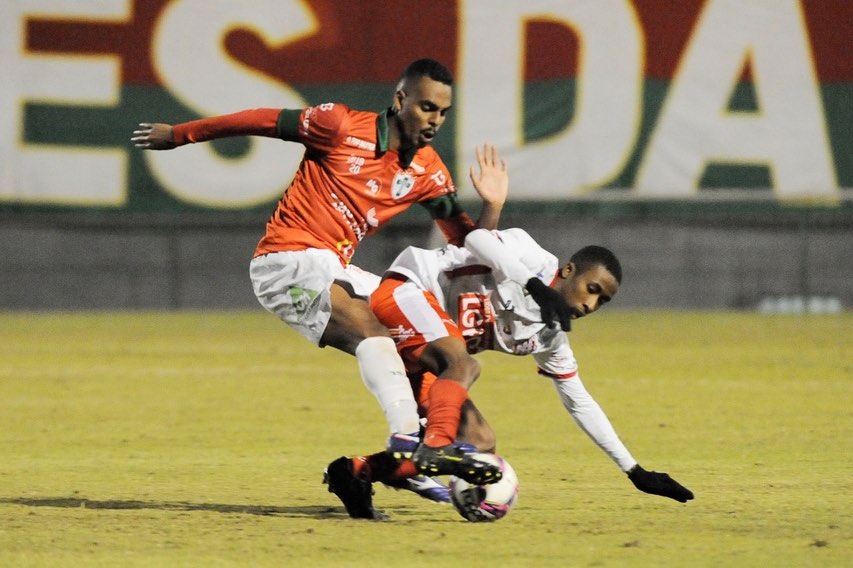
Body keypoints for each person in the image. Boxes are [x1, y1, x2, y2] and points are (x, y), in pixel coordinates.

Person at [131, 59, 567, 506]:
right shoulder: (339, 125)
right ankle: (406, 443)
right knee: (372, 333)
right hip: (287, 261)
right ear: (399, 101)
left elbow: (466, 245)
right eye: (426, 107)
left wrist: (492, 206)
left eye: (442, 113)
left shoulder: (428, 171)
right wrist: (181, 135)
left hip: (338, 268)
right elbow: (262, 120)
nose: (434, 120)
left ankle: (380, 466)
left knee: (449, 353)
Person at [326, 227, 694, 518]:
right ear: (567, 271)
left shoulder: (549, 336)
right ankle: (434, 449)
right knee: (464, 365)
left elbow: (579, 400)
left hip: (428, 349)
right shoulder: (531, 258)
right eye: (591, 289)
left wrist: (634, 470)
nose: (591, 303)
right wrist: (533, 284)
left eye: (603, 301)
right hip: (407, 290)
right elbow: (476, 238)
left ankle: (356, 472)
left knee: (481, 442)